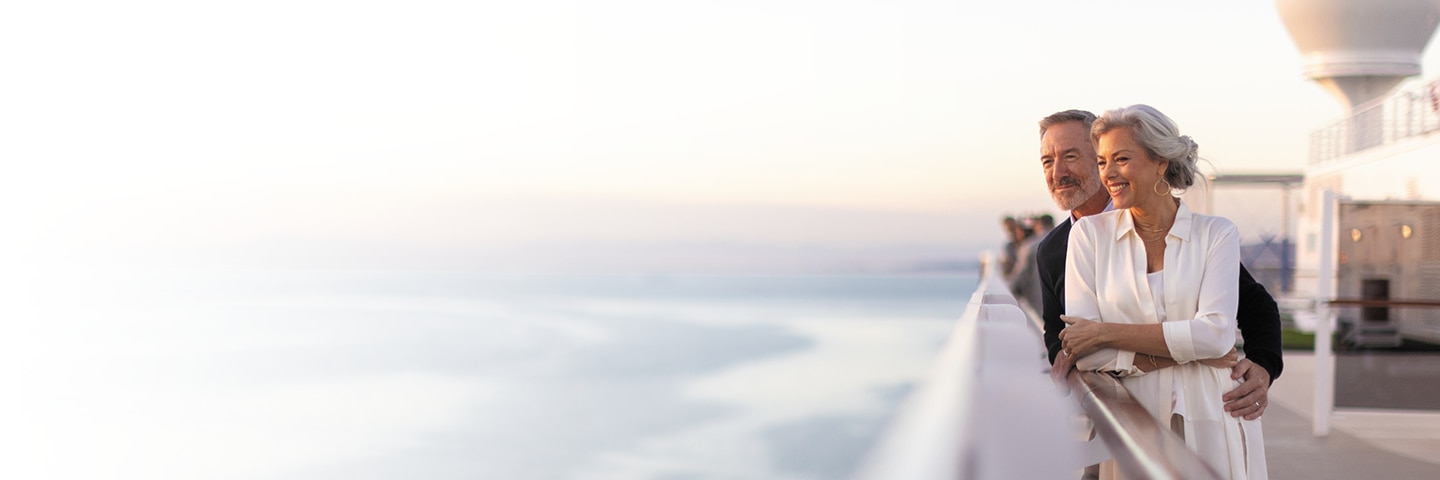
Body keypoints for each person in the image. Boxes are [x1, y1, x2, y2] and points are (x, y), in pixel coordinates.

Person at [1035, 109, 1282, 425]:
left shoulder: (1202, 232)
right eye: (1047, 161)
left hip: (1205, 411)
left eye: (1070, 156)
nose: (1058, 172)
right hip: (1115, 416)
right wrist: (1195, 354)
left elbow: (1252, 305)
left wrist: (1264, 364)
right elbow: (1068, 342)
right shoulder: (1054, 250)